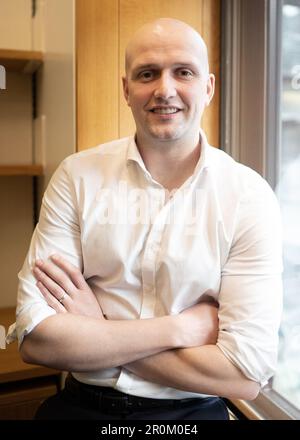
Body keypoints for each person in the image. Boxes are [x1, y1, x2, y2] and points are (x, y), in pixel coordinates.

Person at [7, 18, 283, 420]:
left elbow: (244, 376)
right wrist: (179, 329)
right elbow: (37, 343)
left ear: (208, 87)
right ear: (126, 89)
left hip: (193, 415)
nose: (164, 90)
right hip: (82, 408)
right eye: (147, 74)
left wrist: (97, 327)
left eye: (183, 72)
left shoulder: (248, 196)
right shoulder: (77, 175)